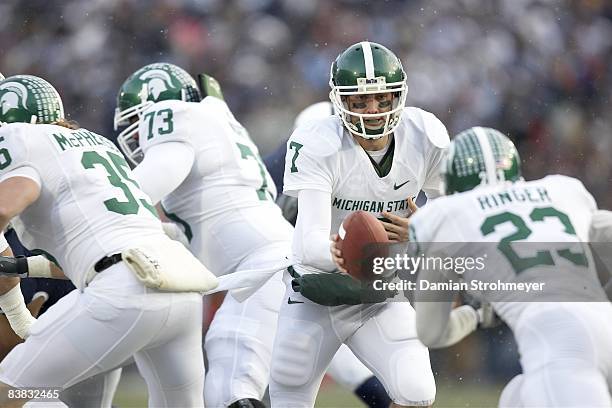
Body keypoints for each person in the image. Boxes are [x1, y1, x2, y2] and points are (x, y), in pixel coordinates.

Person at [0, 74, 217, 407]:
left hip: (122, 290)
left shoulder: (19, 138)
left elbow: (6, 205)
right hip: (177, 284)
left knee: (11, 393)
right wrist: (19, 265)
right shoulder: (95, 142)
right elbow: (86, 252)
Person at [269, 41, 449, 407]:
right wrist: (351, 251)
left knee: (417, 393)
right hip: (315, 293)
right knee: (290, 395)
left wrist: (424, 232)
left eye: (382, 99)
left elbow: (455, 221)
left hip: (378, 295)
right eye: (359, 101)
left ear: (399, 96)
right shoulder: (317, 142)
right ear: (340, 101)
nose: (372, 110)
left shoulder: (425, 135)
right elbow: (307, 245)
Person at [114, 62, 296, 408]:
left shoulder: (174, 117)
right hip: (272, 261)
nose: (137, 138)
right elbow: (201, 233)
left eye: (138, 125)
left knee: (228, 384)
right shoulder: (216, 123)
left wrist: (103, 213)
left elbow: (154, 178)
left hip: (263, 268)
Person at [411, 127, 612, 407]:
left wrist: (477, 314)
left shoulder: (447, 217)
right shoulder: (560, 190)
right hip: (605, 320)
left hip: (556, 340)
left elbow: (431, 331)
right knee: (515, 398)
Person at [264, 101, 391, 408]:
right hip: (290, 266)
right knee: (285, 358)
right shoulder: (288, 160)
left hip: (337, 270)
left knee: (301, 359)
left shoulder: (368, 160)